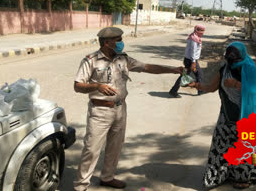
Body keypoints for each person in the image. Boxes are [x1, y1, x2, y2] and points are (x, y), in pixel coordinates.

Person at [73, 27, 183, 191]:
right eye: (118, 40)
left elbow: (147, 67)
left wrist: (172, 69)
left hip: (120, 109)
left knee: (115, 147)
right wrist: (97, 86)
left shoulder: (123, 59)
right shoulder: (91, 60)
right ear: (107, 42)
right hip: (100, 111)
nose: (121, 43)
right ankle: (81, 186)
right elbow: (78, 85)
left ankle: (107, 177)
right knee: (91, 149)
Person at [188, 41, 256, 189]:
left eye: (234, 59)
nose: (231, 62)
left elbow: (255, 90)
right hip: (226, 118)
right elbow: (211, 87)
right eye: (229, 59)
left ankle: (245, 177)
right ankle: (218, 176)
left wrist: (236, 84)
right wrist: (196, 85)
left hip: (248, 119)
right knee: (220, 148)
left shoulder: (251, 69)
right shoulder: (224, 69)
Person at [169, 24, 205, 98]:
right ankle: (173, 91)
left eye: (203, 31)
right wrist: (194, 62)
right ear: (196, 30)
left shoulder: (195, 38)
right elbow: (193, 51)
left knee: (194, 75)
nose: (202, 33)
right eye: (200, 31)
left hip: (190, 60)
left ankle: (174, 90)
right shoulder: (193, 39)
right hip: (191, 61)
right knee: (188, 75)